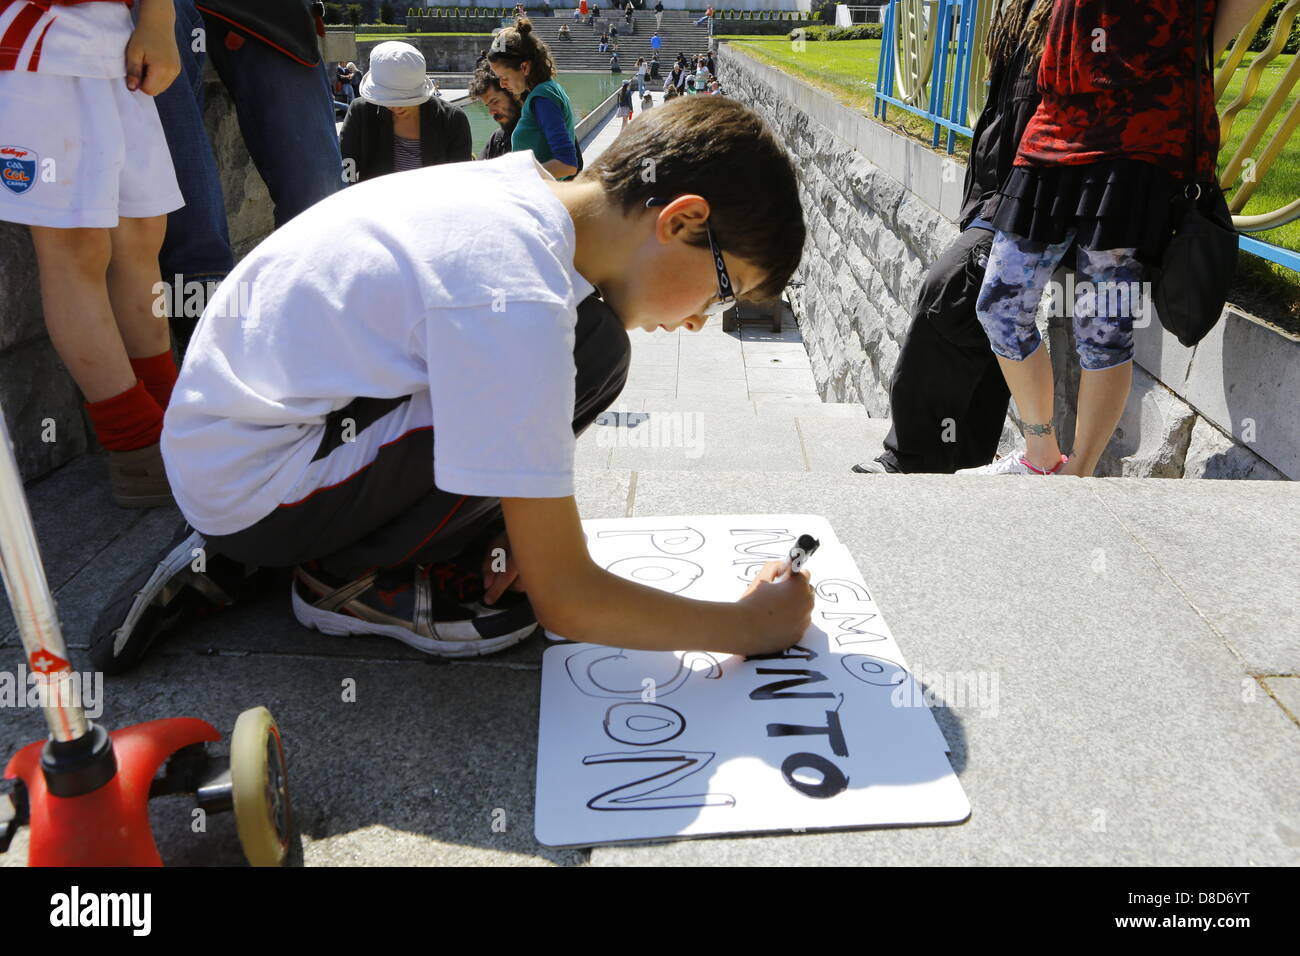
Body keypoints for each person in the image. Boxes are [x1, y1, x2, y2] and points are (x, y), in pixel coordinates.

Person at [90, 96, 814, 676]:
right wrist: (747, 624)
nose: (697, 324)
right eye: (722, 291)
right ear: (681, 218)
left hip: (249, 427)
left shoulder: (520, 192)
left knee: (584, 353)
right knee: (592, 353)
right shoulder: (520, 290)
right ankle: (341, 580)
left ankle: (302, 541)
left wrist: (504, 524)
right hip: (253, 477)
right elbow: (567, 600)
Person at [957, 0, 1267, 478]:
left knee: (1102, 326)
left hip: (1137, 133)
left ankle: (1078, 471)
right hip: (1057, 121)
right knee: (999, 304)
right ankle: (1041, 456)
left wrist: (1195, 46)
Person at [4, 0, 186, 509]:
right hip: (31, 46)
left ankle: (167, 408)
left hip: (116, 42)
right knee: (74, 244)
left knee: (142, 231)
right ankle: (137, 444)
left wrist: (158, 18)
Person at [152, 0, 343, 355]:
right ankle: (206, 318)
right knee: (161, 53)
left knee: (317, 191)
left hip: (267, 11)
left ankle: (321, 311)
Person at [339, 42, 472, 183]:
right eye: (389, 100)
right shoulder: (360, 111)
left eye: (406, 99)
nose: (396, 107)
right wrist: (350, 192)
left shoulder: (453, 119)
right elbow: (346, 162)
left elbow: (459, 179)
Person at [489, 18, 583, 180]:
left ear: (524, 67)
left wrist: (513, 178)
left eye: (504, 77)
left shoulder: (542, 97)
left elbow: (567, 164)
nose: (502, 84)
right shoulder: (548, 90)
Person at [468, 66, 523, 160]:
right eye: (487, 105)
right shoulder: (497, 139)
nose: (491, 111)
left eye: (494, 101)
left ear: (513, 93)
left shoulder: (539, 133)